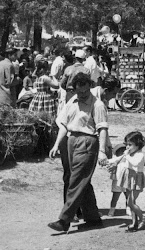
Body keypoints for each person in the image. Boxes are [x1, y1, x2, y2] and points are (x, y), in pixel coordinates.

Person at [47, 73, 120, 233]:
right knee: (83, 181)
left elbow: (102, 128)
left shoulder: (97, 105)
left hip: (87, 142)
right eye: (79, 92)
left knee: (76, 180)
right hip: (72, 141)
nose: (82, 95)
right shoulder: (72, 101)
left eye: (86, 91)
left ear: (90, 88)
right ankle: (93, 218)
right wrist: (56, 144)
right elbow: (64, 125)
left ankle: (64, 220)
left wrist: (101, 151)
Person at [108, 131, 145, 232]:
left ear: (138, 144)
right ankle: (134, 223)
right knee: (130, 202)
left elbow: (135, 163)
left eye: (130, 145)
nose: (127, 147)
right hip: (129, 178)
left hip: (136, 179)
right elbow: (117, 159)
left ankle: (142, 218)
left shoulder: (140, 154)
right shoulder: (130, 154)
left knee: (131, 203)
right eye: (127, 145)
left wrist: (126, 156)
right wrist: (108, 161)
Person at [106, 143, 129, 217]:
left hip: (126, 180)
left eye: (124, 150)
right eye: (120, 150)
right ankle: (112, 210)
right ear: (117, 152)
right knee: (115, 196)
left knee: (128, 196)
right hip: (117, 181)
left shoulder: (128, 159)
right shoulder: (115, 159)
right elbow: (108, 162)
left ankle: (128, 209)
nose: (122, 151)